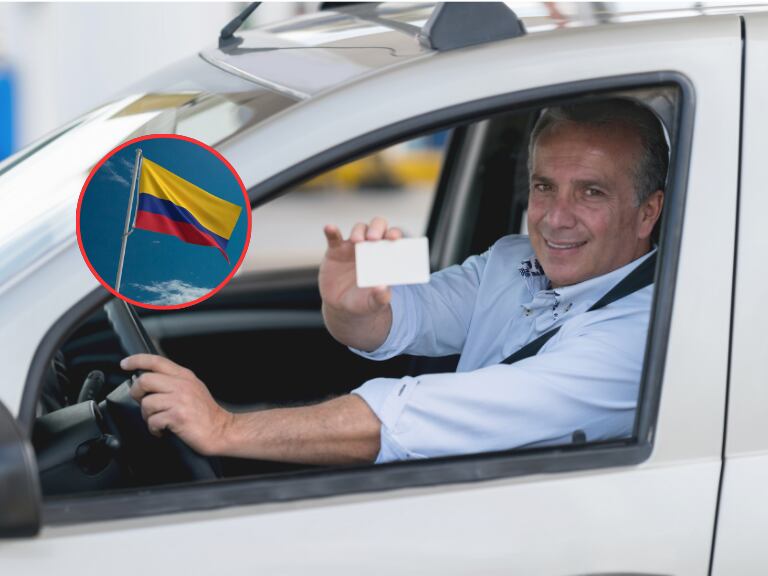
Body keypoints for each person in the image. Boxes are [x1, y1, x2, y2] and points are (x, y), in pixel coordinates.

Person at [121, 98, 667, 466]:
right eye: (545, 187)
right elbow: (405, 319)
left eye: (591, 192)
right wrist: (352, 306)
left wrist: (226, 430)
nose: (555, 218)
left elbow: (412, 417)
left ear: (648, 212)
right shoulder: (513, 259)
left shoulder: (641, 338)